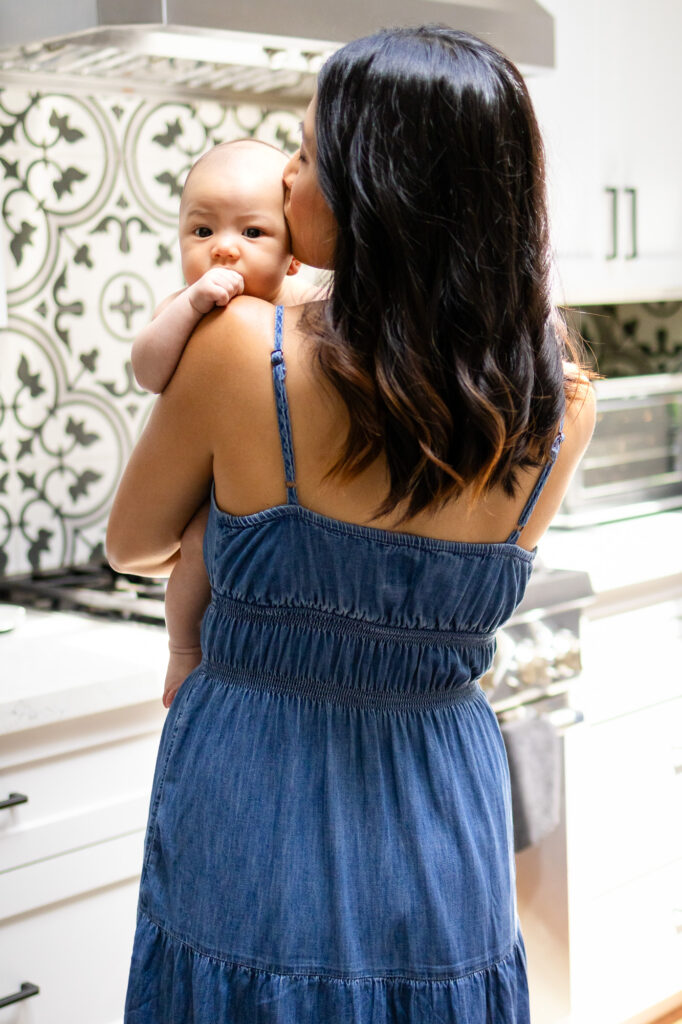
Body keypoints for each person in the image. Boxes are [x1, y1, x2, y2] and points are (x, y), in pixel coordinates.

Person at [107, 24, 596, 1023]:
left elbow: (130, 544)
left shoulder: (242, 352)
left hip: (259, 790)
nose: (287, 182)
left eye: (307, 153)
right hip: (441, 806)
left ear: (378, 189)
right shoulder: (561, 400)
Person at [130, 139, 319, 707]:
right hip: (210, 494)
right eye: (203, 231)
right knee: (194, 549)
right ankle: (185, 650)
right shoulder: (184, 307)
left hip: (284, 500)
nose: (224, 250)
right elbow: (148, 371)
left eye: (252, 233)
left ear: (293, 257)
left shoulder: (305, 305)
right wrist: (189, 309)